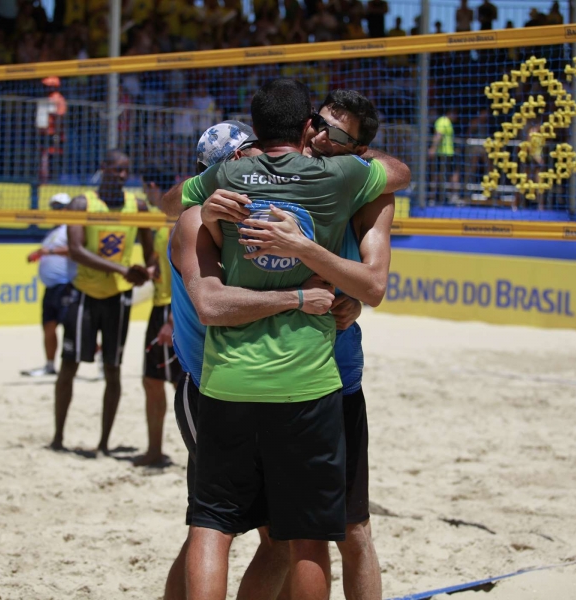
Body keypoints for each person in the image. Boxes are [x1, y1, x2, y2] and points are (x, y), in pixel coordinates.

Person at [163, 78, 410, 600]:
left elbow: (375, 275)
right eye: (316, 122)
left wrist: (337, 282)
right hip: (260, 378)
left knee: (323, 531)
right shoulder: (234, 192)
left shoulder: (346, 183)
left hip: (292, 377)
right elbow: (201, 284)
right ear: (303, 124)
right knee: (291, 536)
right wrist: (304, 294)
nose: (321, 134)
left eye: (333, 132)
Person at [162, 119, 330, 600]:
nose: (260, 167)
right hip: (207, 388)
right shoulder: (198, 220)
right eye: (247, 158)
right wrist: (301, 298)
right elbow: (214, 307)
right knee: (219, 528)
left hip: (250, 384)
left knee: (246, 534)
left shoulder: (240, 218)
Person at [50, 150, 155, 455]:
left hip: (117, 298)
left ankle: (104, 443)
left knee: (113, 369)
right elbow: (76, 250)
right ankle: (57, 437)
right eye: (116, 170)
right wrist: (124, 269)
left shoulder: (136, 205)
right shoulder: (82, 203)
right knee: (68, 365)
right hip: (84, 293)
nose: (122, 176)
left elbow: (149, 249)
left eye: (126, 171)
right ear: (103, 168)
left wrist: (148, 270)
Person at [133, 184, 184, 467]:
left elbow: (189, 276)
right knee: (151, 381)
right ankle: (154, 450)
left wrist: (172, 321)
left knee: (182, 384)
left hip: (173, 309)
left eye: (145, 189)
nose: (143, 195)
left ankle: (198, 453)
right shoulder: (157, 221)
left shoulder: (181, 219)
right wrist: (148, 270)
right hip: (158, 306)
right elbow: (159, 262)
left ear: (154, 188)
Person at [22, 193, 77, 377]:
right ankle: (49, 365)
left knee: (73, 329)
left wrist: (48, 251)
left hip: (66, 285)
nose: (56, 210)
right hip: (52, 288)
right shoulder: (52, 233)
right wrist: (41, 254)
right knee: (48, 326)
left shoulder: (71, 228)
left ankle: (102, 359)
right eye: (53, 207)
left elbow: (75, 250)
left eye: (59, 207)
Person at [37, 77, 67, 182]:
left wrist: (57, 135)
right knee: (44, 157)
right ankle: (44, 181)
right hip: (45, 133)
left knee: (52, 158)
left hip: (54, 134)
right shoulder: (46, 99)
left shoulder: (58, 99)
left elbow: (59, 117)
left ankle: (52, 181)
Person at [429, 108, 459, 204]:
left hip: (448, 153)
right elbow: (438, 135)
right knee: (437, 175)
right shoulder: (442, 121)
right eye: (455, 114)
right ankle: (433, 197)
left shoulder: (447, 122)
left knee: (450, 174)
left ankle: (449, 196)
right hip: (441, 153)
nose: (456, 117)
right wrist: (433, 148)